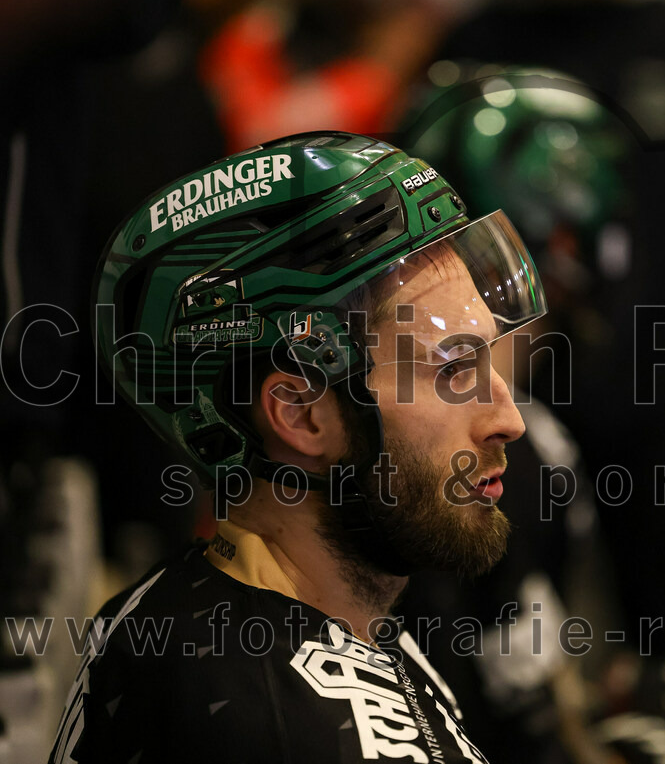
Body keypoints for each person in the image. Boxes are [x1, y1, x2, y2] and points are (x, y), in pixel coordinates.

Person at [48, 131, 548, 763]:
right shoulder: (285, 724)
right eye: (453, 369)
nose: (508, 418)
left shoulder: (176, 617)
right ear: (303, 415)